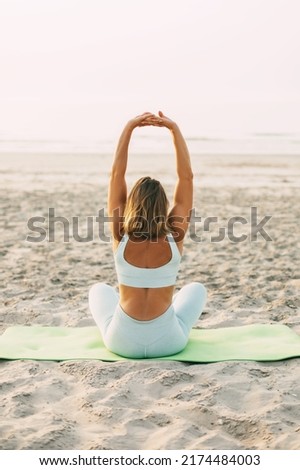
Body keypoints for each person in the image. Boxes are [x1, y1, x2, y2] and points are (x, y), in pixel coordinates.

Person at [89, 111, 207, 358]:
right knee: (196, 289)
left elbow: (116, 176)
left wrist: (129, 127)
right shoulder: (175, 235)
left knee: (100, 289)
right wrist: (174, 129)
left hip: (122, 342)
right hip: (169, 342)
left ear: (132, 203)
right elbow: (186, 177)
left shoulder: (120, 233)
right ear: (164, 204)